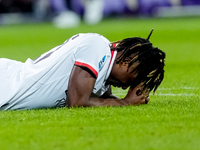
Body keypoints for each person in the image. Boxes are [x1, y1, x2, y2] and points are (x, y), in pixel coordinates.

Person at [0, 30, 165, 111]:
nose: (126, 86)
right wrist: (125, 103)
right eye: (134, 78)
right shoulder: (97, 47)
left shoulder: (103, 64)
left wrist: (128, 101)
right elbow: (77, 102)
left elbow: (103, 98)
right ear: (128, 61)